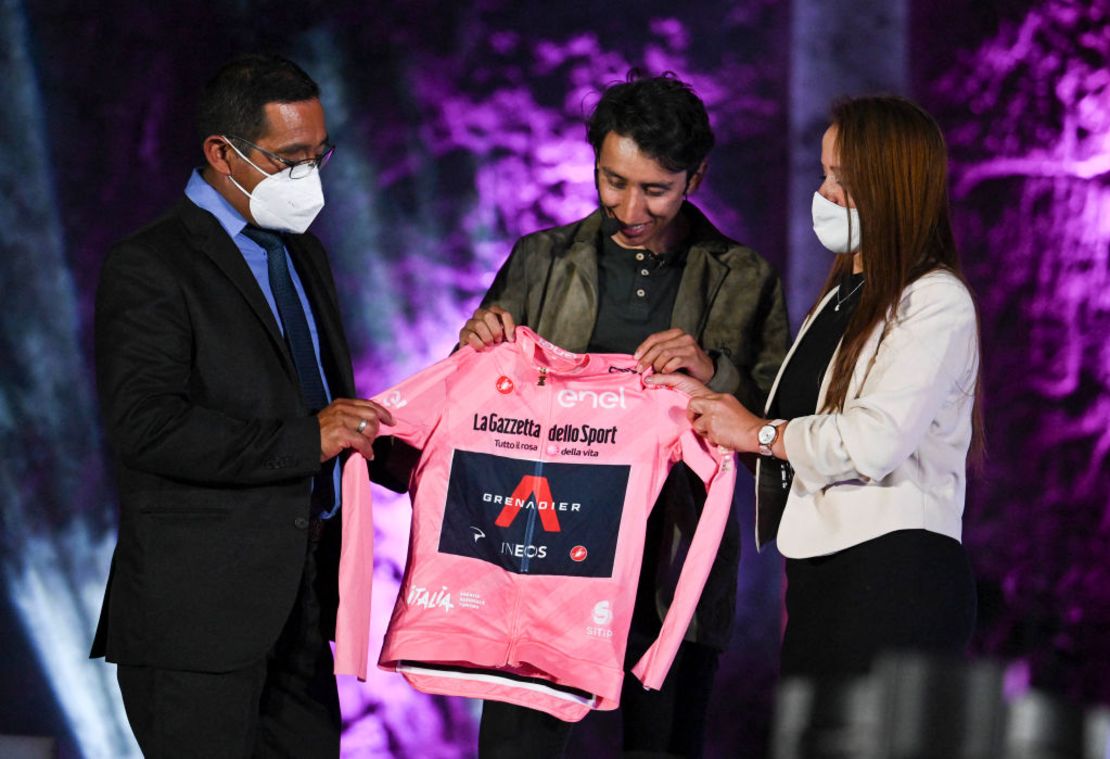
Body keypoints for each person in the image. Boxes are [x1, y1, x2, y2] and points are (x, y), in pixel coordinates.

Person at [459, 72, 789, 758]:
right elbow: (480, 400)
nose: (628, 206)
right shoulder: (542, 260)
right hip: (545, 551)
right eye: (613, 181)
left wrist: (713, 372)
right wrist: (476, 345)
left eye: (654, 189)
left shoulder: (741, 275)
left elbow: (779, 421)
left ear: (695, 178)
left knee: (663, 741)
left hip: (669, 557)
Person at [90, 54, 394, 758]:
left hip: (301, 607)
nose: (310, 176)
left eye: (320, 155)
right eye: (290, 159)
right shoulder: (151, 264)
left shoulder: (304, 256)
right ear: (221, 154)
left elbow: (320, 407)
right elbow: (148, 425)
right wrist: (304, 440)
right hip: (197, 618)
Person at [649, 94, 980, 680]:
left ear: (893, 188)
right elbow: (797, 426)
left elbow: (870, 442)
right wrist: (716, 382)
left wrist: (755, 432)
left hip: (895, 577)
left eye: (844, 180)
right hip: (822, 574)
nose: (825, 195)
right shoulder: (842, 297)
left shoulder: (934, 301)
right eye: (825, 175)